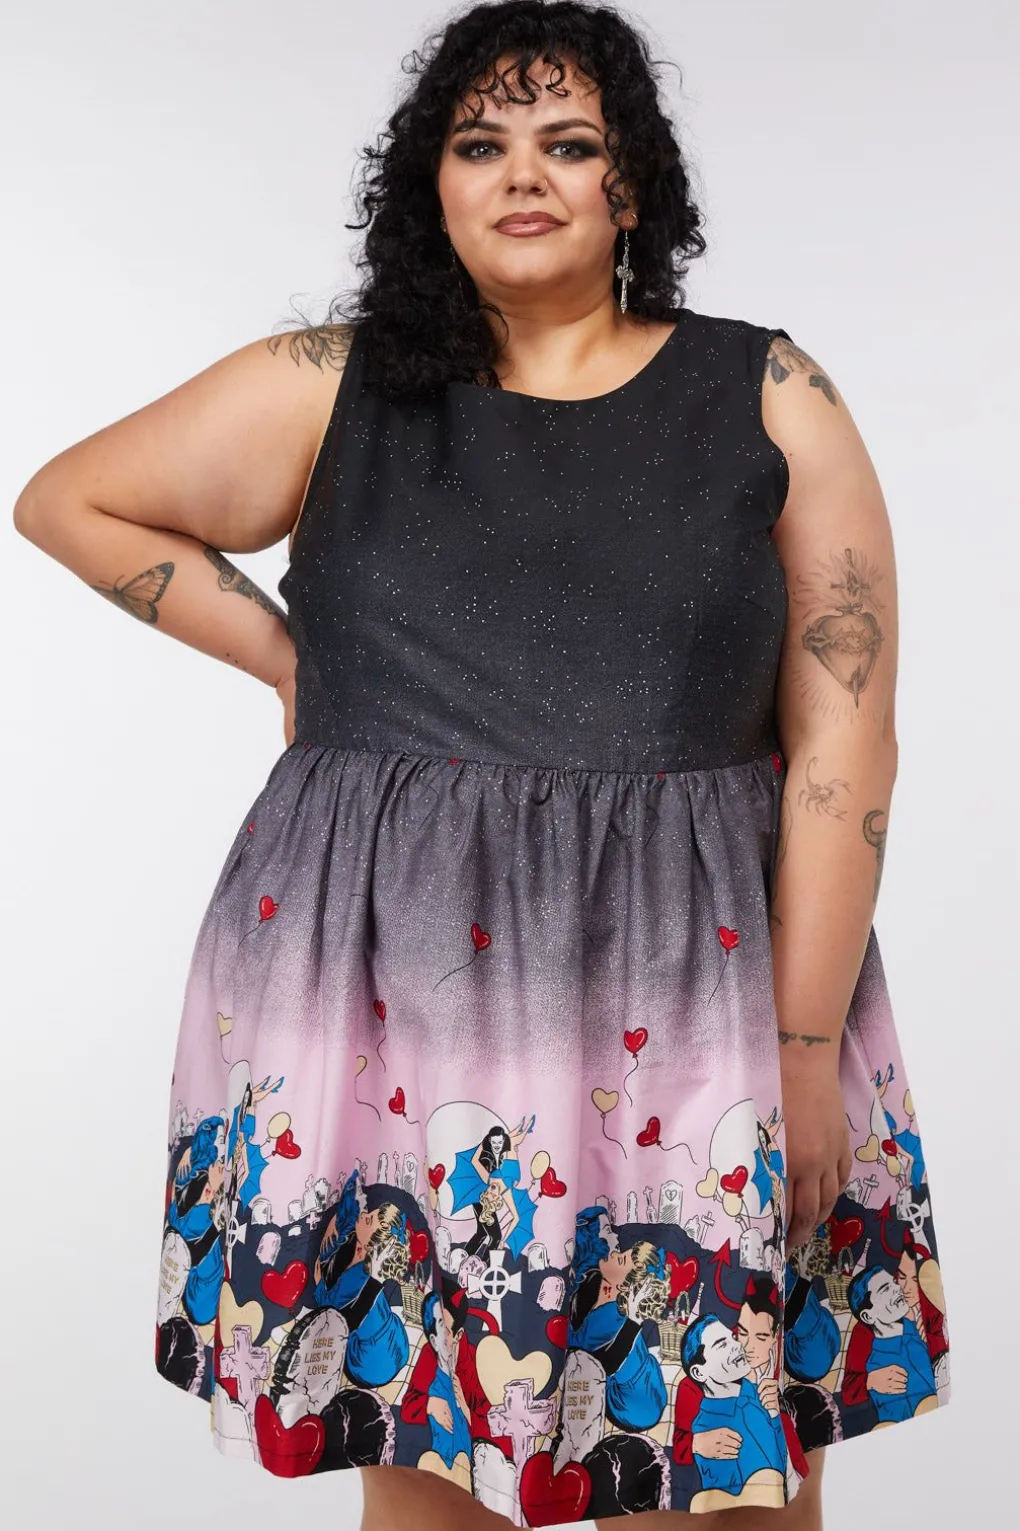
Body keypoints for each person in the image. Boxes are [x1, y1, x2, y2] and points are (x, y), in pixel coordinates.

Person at [12, 2, 949, 1527]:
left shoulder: (769, 392)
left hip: (700, 999)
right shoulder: (333, 382)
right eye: (480, 143)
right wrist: (289, 658)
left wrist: (798, 1049)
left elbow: (850, 738)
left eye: (569, 143)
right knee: (430, 1460)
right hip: (397, 1003)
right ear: (431, 186)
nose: (524, 174)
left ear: (631, 186)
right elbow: (70, 500)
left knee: (727, 1478)